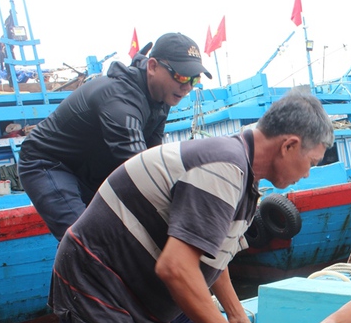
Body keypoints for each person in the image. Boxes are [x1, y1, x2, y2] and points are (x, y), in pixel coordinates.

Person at [51, 89, 334, 323]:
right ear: (289, 145)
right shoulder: (224, 168)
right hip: (101, 287)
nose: (308, 174)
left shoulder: (242, 173)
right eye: (311, 161)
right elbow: (176, 268)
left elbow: (212, 252)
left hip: (145, 285)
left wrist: (234, 315)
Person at [18, 32, 212, 241]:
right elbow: (141, 168)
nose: (188, 86)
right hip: (48, 163)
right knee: (85, 243)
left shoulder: (161, 100)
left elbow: (154, 158)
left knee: (121, 239)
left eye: (194, 79)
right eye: (181, 76)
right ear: (153, 66)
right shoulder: (120, 100)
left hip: (90, 171)